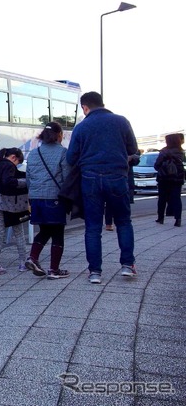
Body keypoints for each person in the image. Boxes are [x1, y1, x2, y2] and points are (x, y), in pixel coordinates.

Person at [66, 91, 139, 284]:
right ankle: (127, 265)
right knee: (123, 221)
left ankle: (95, 272)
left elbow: (70, 158)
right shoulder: (122, 121)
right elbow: (133, 149)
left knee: (92, 228)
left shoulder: (81, 127)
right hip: (117, 177)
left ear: (85, 107)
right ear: (102, 103)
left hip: (90, 179)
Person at [25, 122, 72, 279]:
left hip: (36, 199)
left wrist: (32, 196)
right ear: (59, 135)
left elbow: (29, 178)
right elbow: (66, 178)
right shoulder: (63, 153)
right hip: (54, 198)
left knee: (44, 230)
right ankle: (54, 270)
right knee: (57, 233)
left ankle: (33, 257)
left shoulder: (33, 153)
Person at [0, 147, 29, 276]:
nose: (16, 165)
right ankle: (23, 263)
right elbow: (8, 181)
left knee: (0, 234)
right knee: (19, 233)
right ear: (13, 158)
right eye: (18, 162)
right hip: (12, 205)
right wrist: (24, 182)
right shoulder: (9, 166)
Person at [154, 133, 185, 227]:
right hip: (177, 178)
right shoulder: (181, 152)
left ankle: (160, 218)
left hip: (164, 178)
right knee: (176, 198)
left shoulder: (164, 152)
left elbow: (157, 165)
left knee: (162, 198)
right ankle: (178, 219)